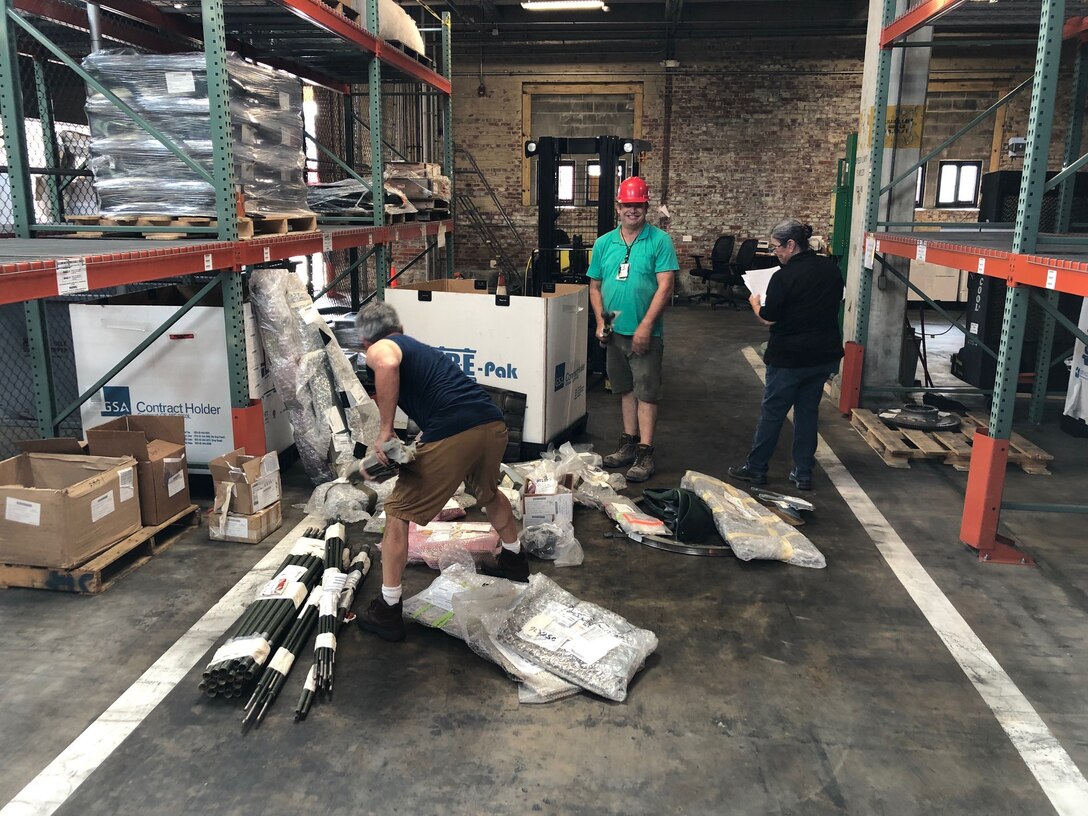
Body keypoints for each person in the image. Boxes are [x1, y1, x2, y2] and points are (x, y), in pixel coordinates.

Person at [353, 302, 527, 642]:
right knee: (488, 492)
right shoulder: (419, 349)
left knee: (397, 512)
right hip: (490, 424)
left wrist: (385, 431)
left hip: (454, 431)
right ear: (400, 328)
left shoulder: (382, 348)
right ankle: (514, 559)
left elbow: (386, 363)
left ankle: (387, 608)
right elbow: (441, 404)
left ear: (364, 342)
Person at [728, 219, 845, 491]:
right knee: (807, 412)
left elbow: (769, 318)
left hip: (790, 357)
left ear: (791, 245)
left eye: (777, 247)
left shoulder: (784, 276)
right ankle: (803, 473)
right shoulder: (831, 269)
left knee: (773, 412)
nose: (775, 253)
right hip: (822, 355)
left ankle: (757, 469)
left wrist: (756, 304)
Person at [588, 176, 678, 483]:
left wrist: (646, 326)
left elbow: (665, 286)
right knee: (625, 389)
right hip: (615, 335)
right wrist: (601, 322)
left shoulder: (659, 241)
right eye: (627, 205)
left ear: (646, 207)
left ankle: (645, 452)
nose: (632, 211)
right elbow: (595, 286)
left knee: (647, 393)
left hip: (645, 334)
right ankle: (627, 443)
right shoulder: (604, 243)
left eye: (638, 206)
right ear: (618, 207)